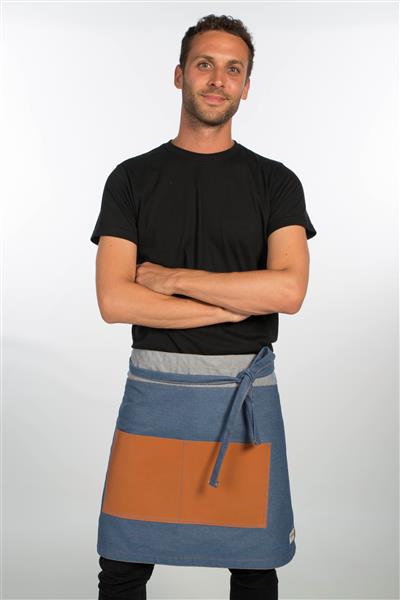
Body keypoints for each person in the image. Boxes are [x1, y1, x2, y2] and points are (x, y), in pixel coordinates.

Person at [90, 13, 317, 600]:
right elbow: (115, 300)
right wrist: (237, 304)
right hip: (154, 389)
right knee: (122, 563)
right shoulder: (131, 179)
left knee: (254, 566)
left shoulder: (276, 182)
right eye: (205, 65)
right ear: (179, 75)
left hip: (243, 402)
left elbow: (289, 292)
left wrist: (171, 280)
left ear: (247, 86)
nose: (218, 79)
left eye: (233, 69)